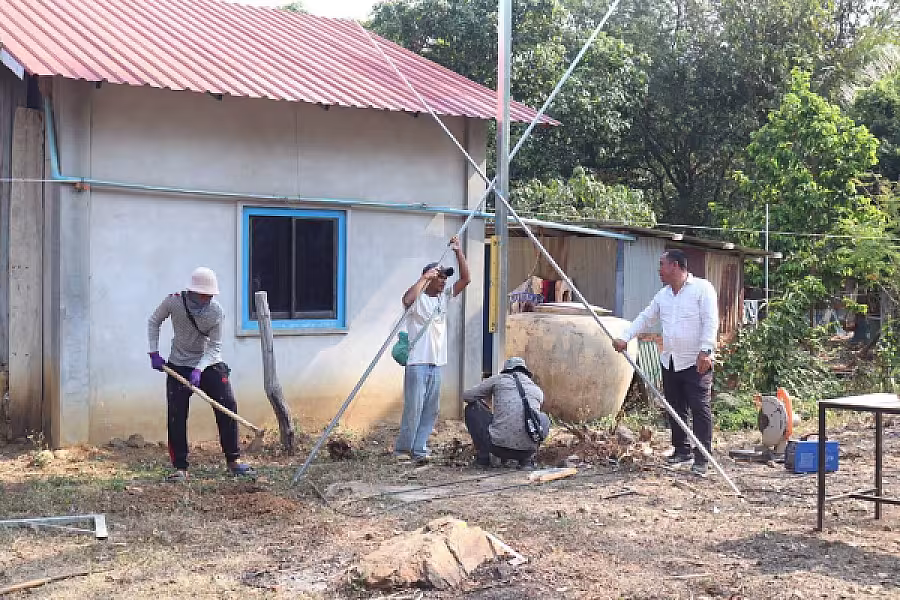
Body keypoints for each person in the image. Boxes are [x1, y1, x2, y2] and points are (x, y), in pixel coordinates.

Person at [611, 249, 718, 476]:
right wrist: (625, 337)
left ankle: (702, 457)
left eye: (662, 265)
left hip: (695, 361)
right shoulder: (664, 295)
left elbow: (710, 321)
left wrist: (706, 351)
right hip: (670, 361)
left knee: (700, 409)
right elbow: (645, 317)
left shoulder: (702, 289)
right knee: (675, 408)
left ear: (676, 266)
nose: (659, 270)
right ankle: (682, 451)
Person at [147, 267, 255, 482]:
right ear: (193, 292)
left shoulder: (216, 312)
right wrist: (153, 352)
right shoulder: (174, 302)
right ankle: (180, 468)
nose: (207, 298)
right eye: (203, 294)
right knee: (176, 415)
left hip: (209, 363)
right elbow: (154, 321)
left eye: (210, 295)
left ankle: (233, 461)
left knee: (227, 406)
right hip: (178, 363)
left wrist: (199, 368)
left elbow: (215, 347)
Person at [394, 235, 471, 464]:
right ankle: (402, 449)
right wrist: (423, 278)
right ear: (429, 280)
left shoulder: (443, 299)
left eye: (444, 278)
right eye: (439, 278)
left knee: (431, 409)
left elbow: (466, 279)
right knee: (413, 408)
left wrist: (458, 251)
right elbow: (406, 299)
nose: (444, 282)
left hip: (436, 363)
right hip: (417, 363)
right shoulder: (419, 301)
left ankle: (420, 448)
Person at [462, 357, 547, 470]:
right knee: (544, 418)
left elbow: (467, 396)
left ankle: (483, 458)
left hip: (497, 447)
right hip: (527, 449)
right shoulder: (537, 390)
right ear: (526, 372)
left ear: (506, 370)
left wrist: (485, 402)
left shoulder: (499, 379)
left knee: (472, 408)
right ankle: (527, 461)